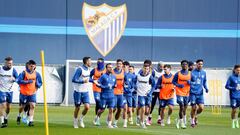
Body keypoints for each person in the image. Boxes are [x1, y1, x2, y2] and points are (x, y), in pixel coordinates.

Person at [17, 60, 42, 127]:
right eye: (31, 66)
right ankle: (19, 115)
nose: (32, 67)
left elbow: (40, 82)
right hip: (24, 93)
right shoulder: (23, 73)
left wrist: (38, 85)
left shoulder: (37, 73)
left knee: (32, 105)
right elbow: (18, 81)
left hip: (32, 93)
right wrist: (27, 82)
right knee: (23, 106)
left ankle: (31, 121)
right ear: (28, 66)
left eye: (34, 66)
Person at [94, 63, 116, 128]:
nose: (111, 68)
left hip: (111, 96)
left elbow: (114, 85)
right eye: (109, 67)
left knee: (111, 109)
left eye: (111, 67)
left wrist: (114, 86)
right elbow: (97, 84)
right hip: (104, 96)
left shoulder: (114, 76)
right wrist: (105, 86)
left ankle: (109, 124)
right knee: (102, 109)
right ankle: (97, 117)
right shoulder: (103, 76)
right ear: (106, 68)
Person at [72, 57, 92, 128]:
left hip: (85, 92)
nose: (91, 62)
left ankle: (81, 119)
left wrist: (94, 81)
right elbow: (74, 79)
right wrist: (82, 81)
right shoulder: (80, 69)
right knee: (78, 107)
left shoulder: (88, 69)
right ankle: (75, 122)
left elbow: (88, 79)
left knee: (87, 107)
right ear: (86, 62)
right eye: (90, 61)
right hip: (78, 92)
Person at [189, 59, 208, 128]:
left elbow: (204, 81)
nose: (200, 65)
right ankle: (192, 121)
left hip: (200, 93)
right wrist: (192, 83)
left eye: (201, 64)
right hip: (193, 93)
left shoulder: (204, 73)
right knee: (193, 108)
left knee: (201, 108)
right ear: (196, 64)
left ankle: (195, 115)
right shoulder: (191, 72)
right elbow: (188, 81)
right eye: (199, 64)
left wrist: (206, 88)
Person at [136, 60, 155, 128]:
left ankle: (145, 118)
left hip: (147, 94)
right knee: (143, 108)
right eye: (145, 68)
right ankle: (142, 122)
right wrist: (134, 87)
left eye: (147, 68)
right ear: (143, 68)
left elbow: (154, 85)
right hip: (141, 94)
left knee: (148, 107)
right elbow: (133, 82)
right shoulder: (138, 74)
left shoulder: (151, 75)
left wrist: (150, 92)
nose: (146, 70)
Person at [0, 57, 18, 128]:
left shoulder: (13, 70)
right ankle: (2, 122)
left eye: (11, 63)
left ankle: (6, 118)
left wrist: (14, 79)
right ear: (5, 63)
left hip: (10, 91)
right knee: (2, 106)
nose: (10, 65)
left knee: (8, 108)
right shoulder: (0, 69)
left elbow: (18, 78)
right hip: (1, 90)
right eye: (9, 63)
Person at [172, 60, 191, 129]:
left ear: (187, 65)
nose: (184, 65)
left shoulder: (190, 74)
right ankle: (182, 122)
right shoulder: (178, 74)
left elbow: (194, 82)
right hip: (179, 92)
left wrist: (190, 83)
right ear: (181, 65)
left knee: (184, 108)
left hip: (187, 92)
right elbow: (173, 82)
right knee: (181, 105)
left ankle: (178, 119)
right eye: (183, 64)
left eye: (186, 64)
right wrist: (178, 85)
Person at [90, 58, 105, 123]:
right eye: (98, 62)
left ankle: (97, 117)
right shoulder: (94, 70)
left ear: (103, 63)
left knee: (102, 105)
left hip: (104, 88)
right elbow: (89, 77)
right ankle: (97, 118)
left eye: (100, 62)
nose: (99, 63)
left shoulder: (105, 70)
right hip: (96, 88)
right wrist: (93, 81)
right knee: (98, 101)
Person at [112, 59, 124, 128]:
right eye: (118, 63)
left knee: (120, 109)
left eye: (120, 64)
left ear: (122, 65)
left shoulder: (123, 72)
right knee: (113, 108)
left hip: (120, 93)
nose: (119, 65)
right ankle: (109, 119)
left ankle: (115, 123)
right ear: (116, 64)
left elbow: (125, 81)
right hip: (113, 92)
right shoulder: (112, 71)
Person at [122, 61, 135, 128]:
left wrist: (131, 90)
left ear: (128, 67)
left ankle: (130, 117)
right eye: (123, 66)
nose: (124, 68)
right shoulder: (120, 74)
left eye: (125, 66)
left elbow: (134, 86)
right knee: (125, 108)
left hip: (129, 94)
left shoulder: (132, 76)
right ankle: (125, 122)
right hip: (122, 94)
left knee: (130, 109)